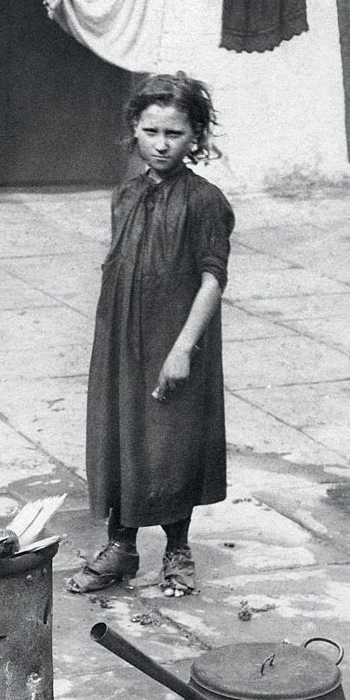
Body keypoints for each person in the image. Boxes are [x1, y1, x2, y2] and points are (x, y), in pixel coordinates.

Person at [68, 72, 234, 598]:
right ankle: (121, 546)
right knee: (122, 434)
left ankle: (178, 550)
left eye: (175, 134)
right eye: (151, 130)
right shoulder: (126, 195)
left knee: (172, 442)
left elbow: (212, 278)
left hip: (176, 339)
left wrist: (183, 349)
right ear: (134, 130)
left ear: (196, 138)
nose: (161, 145)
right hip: (121, 340)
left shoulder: (204, 201)